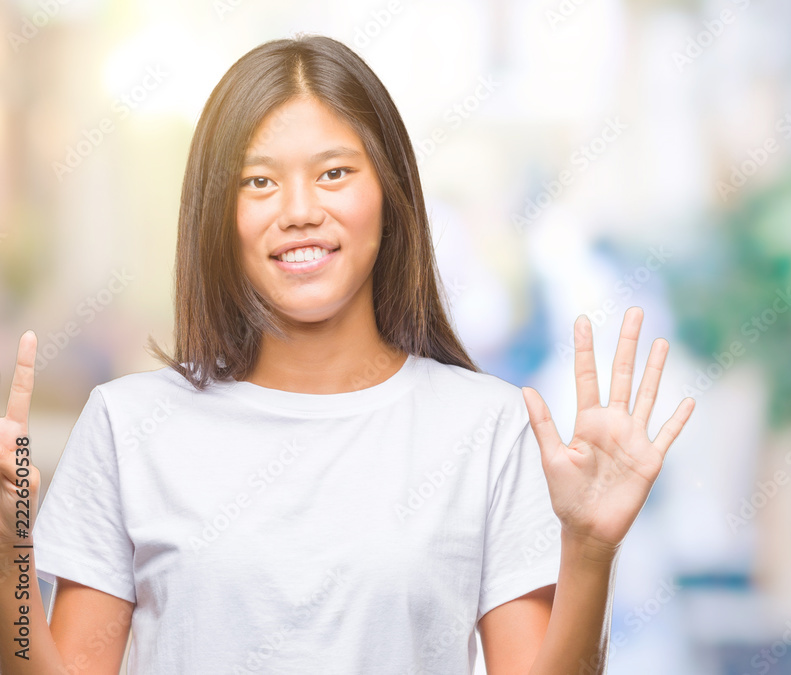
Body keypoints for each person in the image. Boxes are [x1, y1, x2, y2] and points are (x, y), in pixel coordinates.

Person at [0, 34, 694, 674]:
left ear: (389, 193)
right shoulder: (128, 424)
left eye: (333, 172)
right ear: (217, 212)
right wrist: (9, 565)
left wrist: (590, 552)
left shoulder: (487, 426)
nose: (298, 209)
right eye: (259, 181)